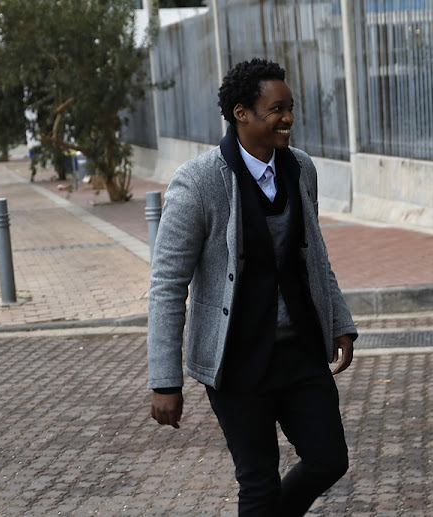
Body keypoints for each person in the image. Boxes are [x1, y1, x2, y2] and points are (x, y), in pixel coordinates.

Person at [147, 58, 357, 516]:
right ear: (241, 112)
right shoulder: (198, 182)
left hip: (299, 350)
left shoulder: (301, 168)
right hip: (238, 360)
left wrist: (339, 321)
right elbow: (166, 284)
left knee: (328, 459)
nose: (288, 119)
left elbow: (314, 257)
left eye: (290, 108)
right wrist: (165, 380)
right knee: (258, 482)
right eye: (276, 109)